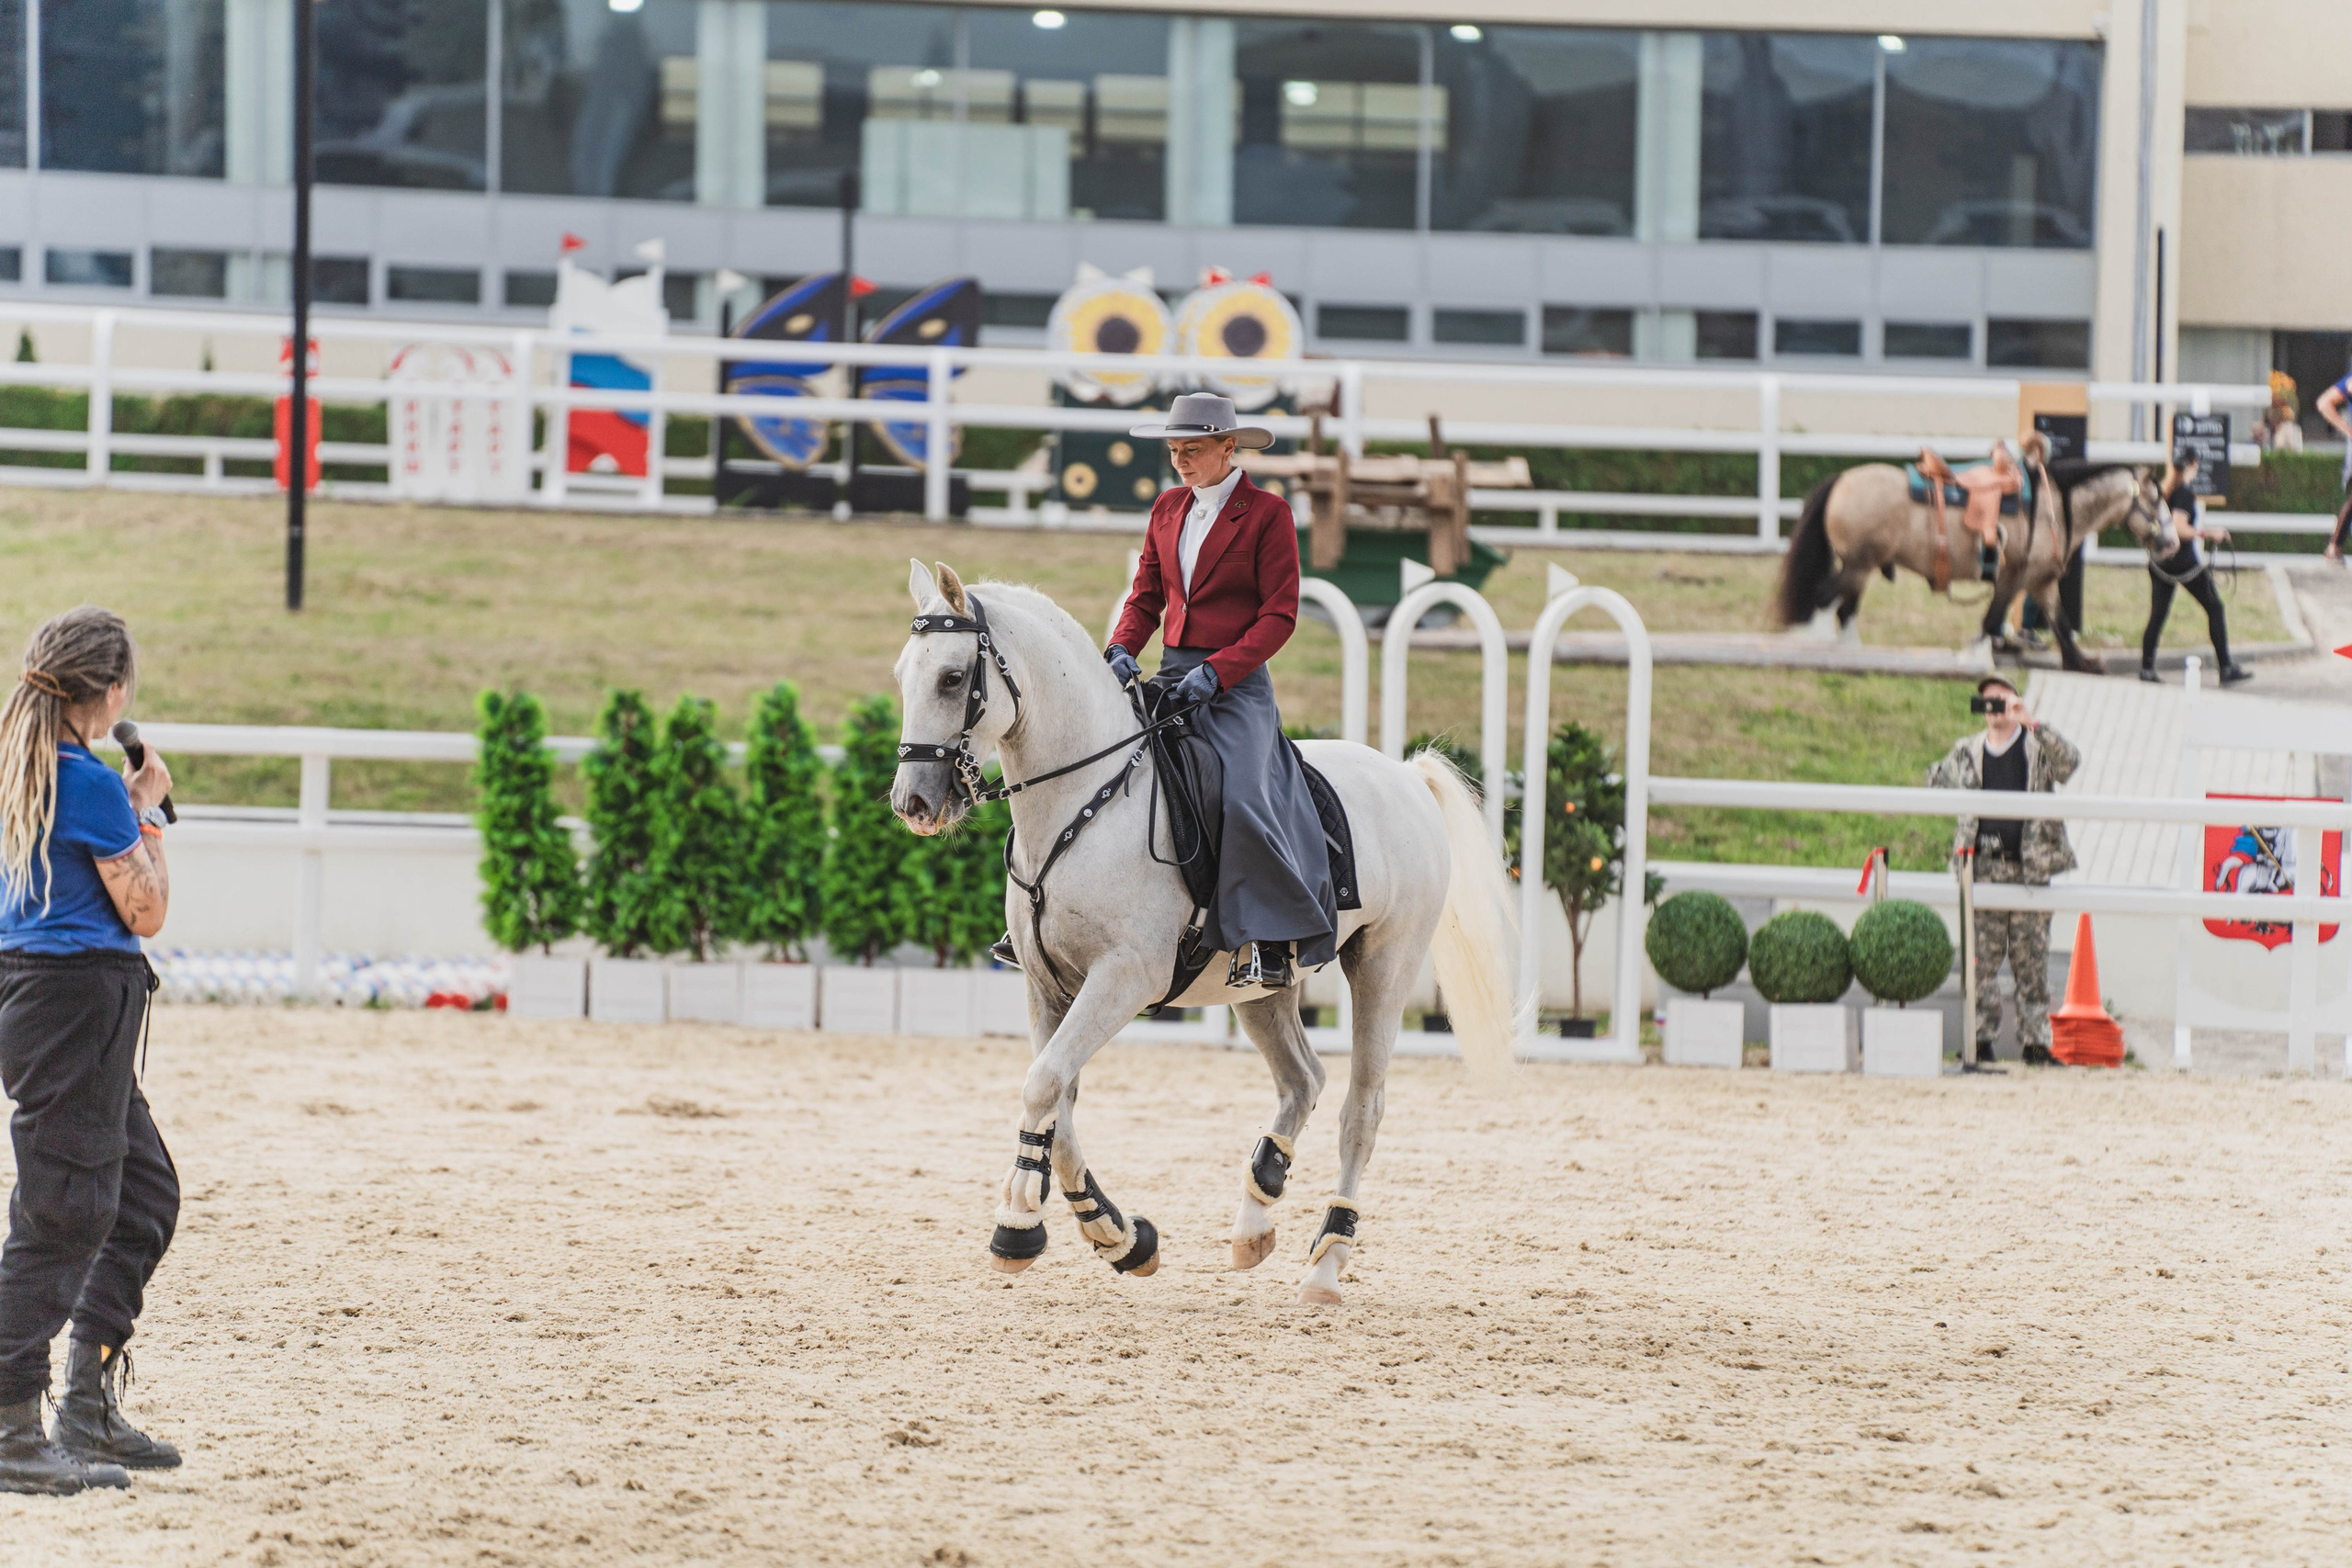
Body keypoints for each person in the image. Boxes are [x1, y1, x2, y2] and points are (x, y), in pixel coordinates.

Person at [0, 606, 181, 1495]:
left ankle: (85, 1405)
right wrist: (147, 811)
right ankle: (7, 1425)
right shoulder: (92, 783)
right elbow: (145, 912)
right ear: (108, 696)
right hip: (76, 1004)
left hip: (48, 1001)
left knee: (142, 1196)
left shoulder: (21, 770)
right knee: (62, 1212)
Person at [1102, 391, 1336, 990]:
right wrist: (1122, 647)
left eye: (1193, 450)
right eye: (1175, 450)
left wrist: (1219, 671)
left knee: (1239, 795)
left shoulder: (1266, 514)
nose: (1181, 461)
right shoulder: (1166, 508)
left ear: (1228, 448)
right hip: (1172, 674)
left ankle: (1273, 938)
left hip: (1235, 686)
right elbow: (1146, 596)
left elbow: (1278, 615)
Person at [1928, 675, 2080, 1066]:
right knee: (1980, 962)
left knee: (2032, 961)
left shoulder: (2035, 747)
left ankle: (2035, 1042)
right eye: (1987, 702)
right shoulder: (1968, 751)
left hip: (2028, 869)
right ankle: (1979, 1039)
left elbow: (2069, 764)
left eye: (2001, 700)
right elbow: (1934, 781)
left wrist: (2033, 723)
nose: (1994, 709)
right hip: (1981, 869)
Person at [2141, 451, 2251, 685]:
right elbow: (2180, 529)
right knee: (2215, 607)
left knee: (2157, 615)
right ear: (2194, 465)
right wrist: (2210, 533)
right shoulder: (2184, 494)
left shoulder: (2162, 490)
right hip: (2183, 563)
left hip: (2160, 562)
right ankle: (2226, 667)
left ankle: (2146, 667)